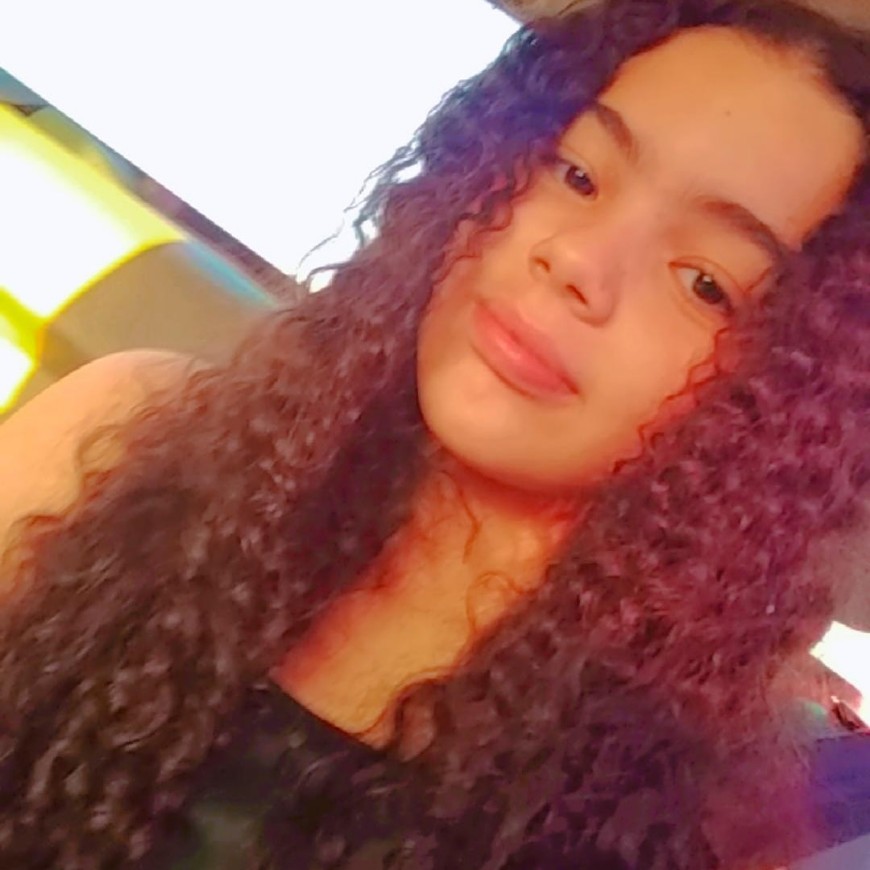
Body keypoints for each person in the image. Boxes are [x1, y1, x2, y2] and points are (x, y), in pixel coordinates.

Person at [0, 0, 867, 867]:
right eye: (576, 173)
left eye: (705, 283)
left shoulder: (663, 821)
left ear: (783, 403)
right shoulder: (112, 442)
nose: (576, 259)